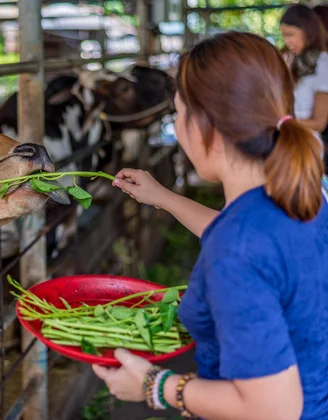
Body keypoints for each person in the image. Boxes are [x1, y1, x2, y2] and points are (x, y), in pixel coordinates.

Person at [93, 31, 328, 420]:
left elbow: (275, 409)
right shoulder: (306, 192)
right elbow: (255, 247)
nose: (179, 126)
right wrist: (164, 197)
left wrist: (155, 385)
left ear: (206, 124)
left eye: (179, 112)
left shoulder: (236, 249)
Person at [280, 5, 328, 146]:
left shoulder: (323, 63)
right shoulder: (290, 59)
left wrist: (281, 122)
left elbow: (319, 123)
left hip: (307, 144)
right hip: (289, 139)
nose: (287, 41)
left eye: (290, 34)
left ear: (307, 32)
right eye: (283, 35)